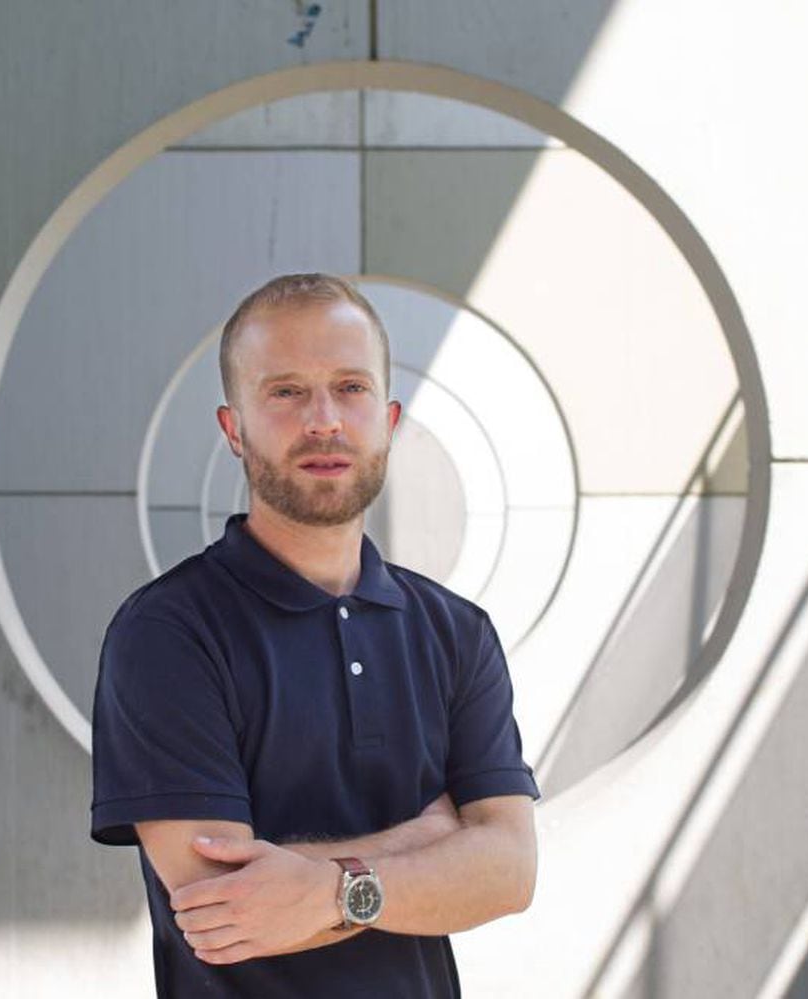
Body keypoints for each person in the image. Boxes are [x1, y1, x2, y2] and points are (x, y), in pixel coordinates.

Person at [91, 273, 540, 997]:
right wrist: (427, 843)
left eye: (351, 387)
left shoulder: (456, 632)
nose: (324, 419)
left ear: (389, 418)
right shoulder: (168, 633)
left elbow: (509, 870)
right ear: (233, 429)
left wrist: (327, 888)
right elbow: (223, 904)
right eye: (286, 391)